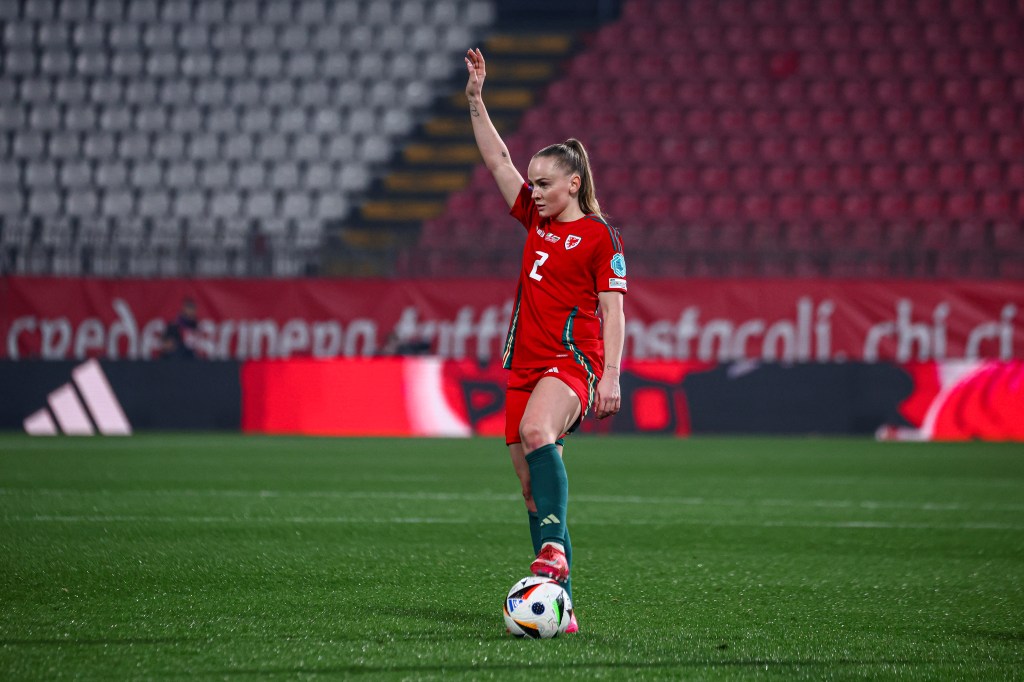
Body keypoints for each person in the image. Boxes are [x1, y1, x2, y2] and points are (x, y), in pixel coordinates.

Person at [465, 48, 627, 633]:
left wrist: (609, 375)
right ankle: (562, 603)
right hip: (524, 365)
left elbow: (613, 308)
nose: (532, 190)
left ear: (573, 183)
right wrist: (477, 102)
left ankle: (552, 560)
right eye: (531, 183)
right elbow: (498, 159)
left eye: (544, 183)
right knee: (533, 491)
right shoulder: (535, 220)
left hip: (573, 361)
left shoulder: (598, 235)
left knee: (539, 431)